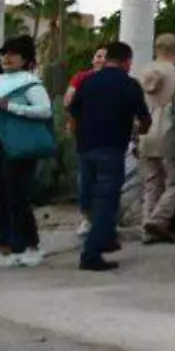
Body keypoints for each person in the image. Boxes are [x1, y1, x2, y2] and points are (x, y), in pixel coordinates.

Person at [68, 40, 150, 272]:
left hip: (85, 148)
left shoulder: (88, 81)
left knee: (89, 198)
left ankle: (106, 237)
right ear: (127, 61)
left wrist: (78, 135)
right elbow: (144, 119)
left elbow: (73, 113)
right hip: (111, 149)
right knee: (106, 201)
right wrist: (138, 133)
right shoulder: (129, 84)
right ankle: (91, 254)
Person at [0, 36, 50, 269]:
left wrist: (11, 107)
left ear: (25, 59)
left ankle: (32, 246)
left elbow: (44, 111)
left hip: (17, 146)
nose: (6, 58)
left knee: (17, 197)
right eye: (3, 54)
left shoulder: (31, 82)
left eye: (12, 54)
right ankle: (4, 249)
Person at [136, 33, 175, 244]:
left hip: (145, 132)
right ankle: (157, 220)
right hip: (168, 132)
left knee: (152, 183)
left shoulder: (142, 73)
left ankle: (147, 229)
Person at [63, 45, 106, 236]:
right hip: (86, 134)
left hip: (109, 134)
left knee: (106, 179)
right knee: (86, 178)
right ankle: (87, 218)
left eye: (105, 57)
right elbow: (67, 100)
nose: (101, 60)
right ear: (92, 59)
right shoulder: (82, 78)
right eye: (98, 56)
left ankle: (105, 219)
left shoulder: (118, 80)